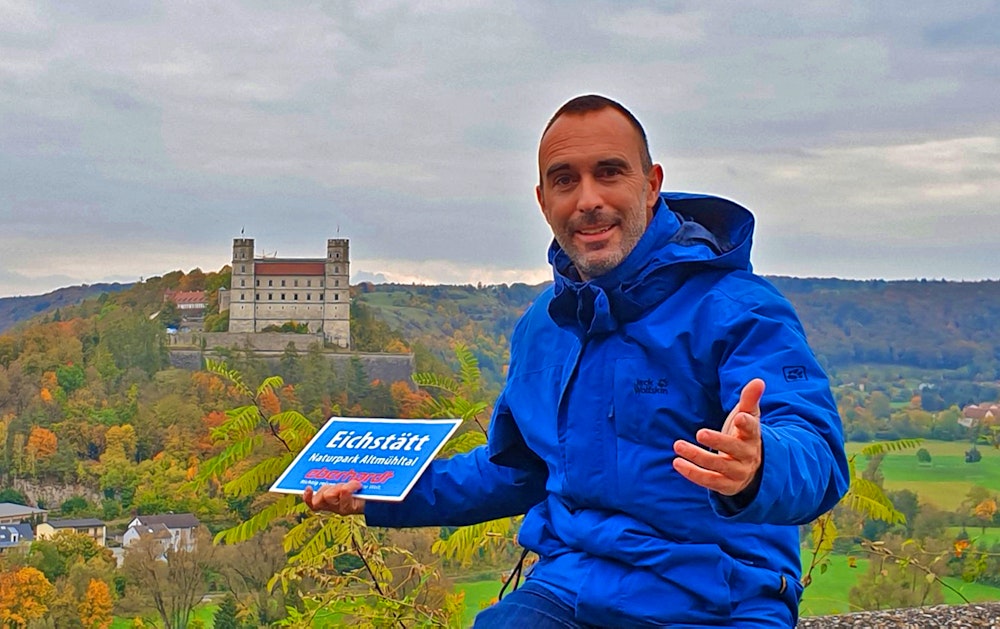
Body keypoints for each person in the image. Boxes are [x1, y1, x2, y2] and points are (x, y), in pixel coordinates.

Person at [305, 95, 850, 627]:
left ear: (651, 185)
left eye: (609, 173)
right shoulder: (543, 326)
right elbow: (519, 472)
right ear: (544, 201)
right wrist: (380, 491)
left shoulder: (738, 310)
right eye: (565, 180)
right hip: (570, 588)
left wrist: (758, 465)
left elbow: (817, 453)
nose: (588, 199)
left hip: (718, 597)